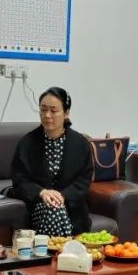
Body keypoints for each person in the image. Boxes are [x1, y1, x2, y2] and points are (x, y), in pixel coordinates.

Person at [9, 87, 94, 236]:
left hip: (71, 206)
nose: (47, 115)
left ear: (66, 113)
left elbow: (84, 178)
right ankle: (65, 248)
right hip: (37, 204)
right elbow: (19, 179)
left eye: (53, 111)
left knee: (56, 208)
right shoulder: (27, 143)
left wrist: (63, 196)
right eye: (43, 110)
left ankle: (48, 248)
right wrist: (42, 192)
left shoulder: (80, 143)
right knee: (53, 209)